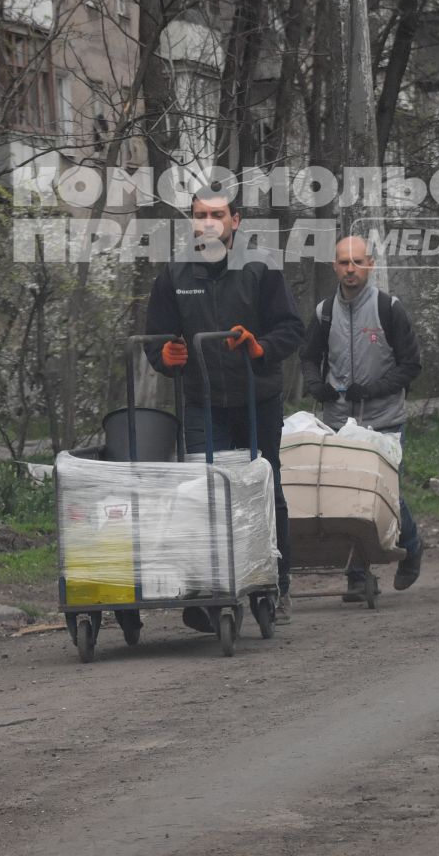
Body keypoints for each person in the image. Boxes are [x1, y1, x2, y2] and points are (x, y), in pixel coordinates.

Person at [145, 188, 306, 626]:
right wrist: (165, 357)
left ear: (235, 221)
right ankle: (209, 593)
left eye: (217, 214)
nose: (208, 222)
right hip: (203, 401)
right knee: (205, 496)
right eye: (200, 215)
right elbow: (157, 338)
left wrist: (261, 348)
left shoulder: (261, 267)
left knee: (263, 489)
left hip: (257, 399)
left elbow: (292, 328)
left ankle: (274, 583)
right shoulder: (175, 274)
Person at [300, 235, 425, 597]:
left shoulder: (389, 308)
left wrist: (373, 389)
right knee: (347, 497)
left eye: (357, 262)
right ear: (334, 267)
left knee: (384, 492)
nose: (350, 269)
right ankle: (357, 575)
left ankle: (412, 547)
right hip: (340, 420)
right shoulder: (324, 312)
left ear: (369, 264)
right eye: (343, 262)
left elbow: (411, 365)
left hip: (384, 418)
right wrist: (315, 385)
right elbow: (308, 357)